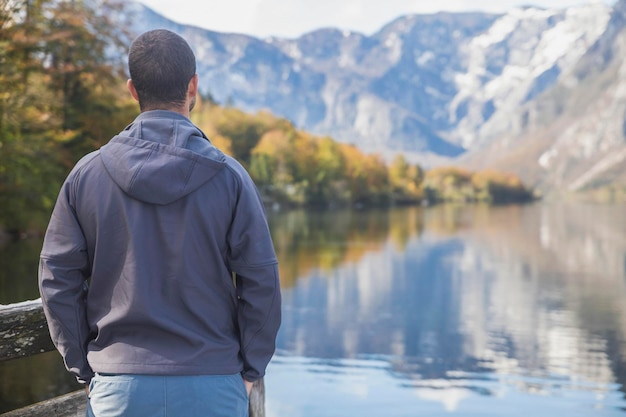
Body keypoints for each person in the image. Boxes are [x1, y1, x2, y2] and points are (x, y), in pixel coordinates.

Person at [38, 29, 281, 417]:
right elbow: (261, 283)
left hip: (118, 388)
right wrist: (250, 370)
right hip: (214, 385)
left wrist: (84, 368)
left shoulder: (86, 175)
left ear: (133, 90)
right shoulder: (231, 177)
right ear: (193, 87)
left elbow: (56, 278)